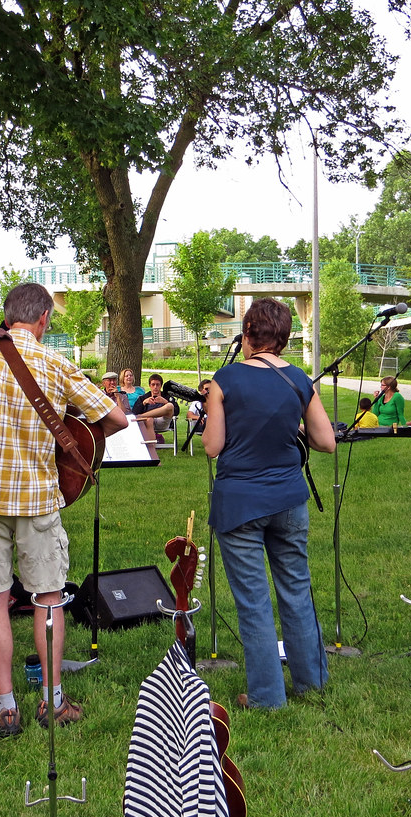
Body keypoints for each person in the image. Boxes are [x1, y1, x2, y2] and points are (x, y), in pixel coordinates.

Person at [0, 282, 127, 737]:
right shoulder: (55, 362)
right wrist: (72, 435)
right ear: (44, 318)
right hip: (37, 495)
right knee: (47, 596)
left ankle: (5, 707)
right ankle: (53, 701)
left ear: (8, 318)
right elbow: (116, 419)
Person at [202, 298, 337, 709]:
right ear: (284, 337)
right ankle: (311, 681)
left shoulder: (225, 378)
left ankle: (266, 696)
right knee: (297, 590)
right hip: (289, 499)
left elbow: (212, 446)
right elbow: (326, 441)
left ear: (247, 334)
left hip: (240, 502)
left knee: (254, 602)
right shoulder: (298, 379)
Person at [130, 373, 176, 442]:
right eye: (153, 384)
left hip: (162, 421)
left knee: (170, 405)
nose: (155, 387)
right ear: (149, 386)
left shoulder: (167, 396)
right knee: (149, 419)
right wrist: (144, 403)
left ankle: (142, 416)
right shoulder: (144, 398)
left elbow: (176, 411)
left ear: (161, 386)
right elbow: (134, 412)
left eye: (157, 385)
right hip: (148, 421)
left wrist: (165, 402)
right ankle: (151, 446)